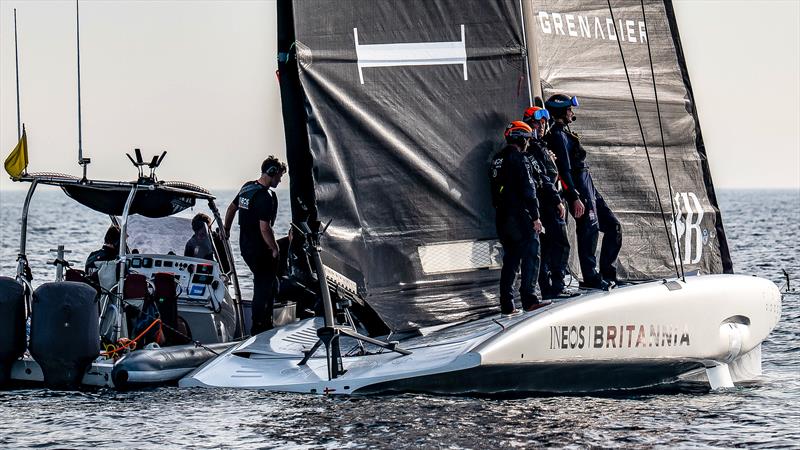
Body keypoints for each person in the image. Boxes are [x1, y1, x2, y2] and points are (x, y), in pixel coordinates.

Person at [545, 94, 622, 289]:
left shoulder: (565, 133)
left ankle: (608, 274)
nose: (572, 112)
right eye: (570, 109)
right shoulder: (557, 135)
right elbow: (563, 170)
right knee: (589, 230)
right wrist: (574, 197)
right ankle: (591, 278)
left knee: (614, 227)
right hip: (579, 188)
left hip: (589, 185)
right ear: (562, 111)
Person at [489, 121, 549, 314]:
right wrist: (536, 217)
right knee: (533, 251)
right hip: (520, 215)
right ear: (521, 138)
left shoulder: (496, 159)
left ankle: (507, 304)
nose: (528, 143)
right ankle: (530, 300)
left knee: (511, 260)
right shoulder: (520, 159)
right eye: (527, 139)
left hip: (502, 217)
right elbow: (528, 189)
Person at [223, 156, 287, 335]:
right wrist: (274, 248)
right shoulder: (265, 197)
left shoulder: (247, 188)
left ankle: (265, 322)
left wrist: (226, 230)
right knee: (262, 285)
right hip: (260, 249)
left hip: (245, 246)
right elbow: (265, 228)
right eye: (279, 176)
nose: (280, 180)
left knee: (269, 283)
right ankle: (259, 327)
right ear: (272, 173)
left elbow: (231, 208)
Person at [523, 106, 572, 299]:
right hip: (546, 203)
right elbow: (543, 178)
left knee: (549, 246)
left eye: (543, 122)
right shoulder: (532, 148)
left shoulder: (540, 145)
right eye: (537, 122)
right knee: (559, 243)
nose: (542, 126)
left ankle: (549, 287)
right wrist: (557, 200)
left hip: (545, 201)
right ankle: (556, 287)